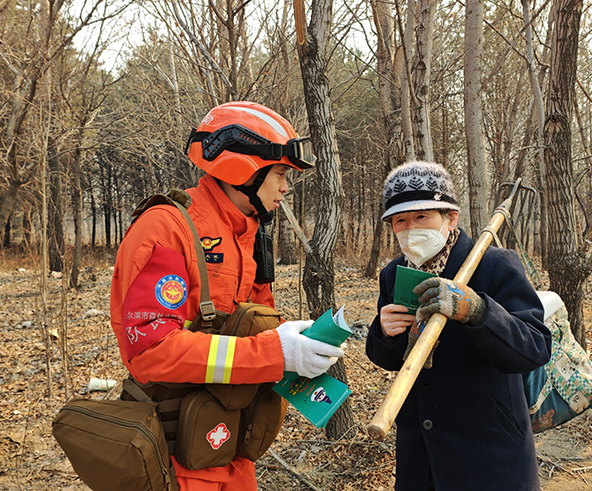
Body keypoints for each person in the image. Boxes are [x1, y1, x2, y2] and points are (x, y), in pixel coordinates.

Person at [110, 101, 344, 491]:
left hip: (229, 450)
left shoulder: (249, 234)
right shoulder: (167, 230)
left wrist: (297, 348)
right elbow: (150, 352)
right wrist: (274, 354)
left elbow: (253, 324)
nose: (286, 187)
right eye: (282, 173)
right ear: (245, 168)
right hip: (173, 457)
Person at [365, 161, 552, 490]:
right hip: (420, 457)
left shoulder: (493, 265)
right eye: (400, 220)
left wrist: (478, 311)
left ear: (451, 217)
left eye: (422, 216)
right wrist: (386, 334)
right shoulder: (394, 274)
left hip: (488, 451)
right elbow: (387, 358)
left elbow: (535, 347)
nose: (410, 228)